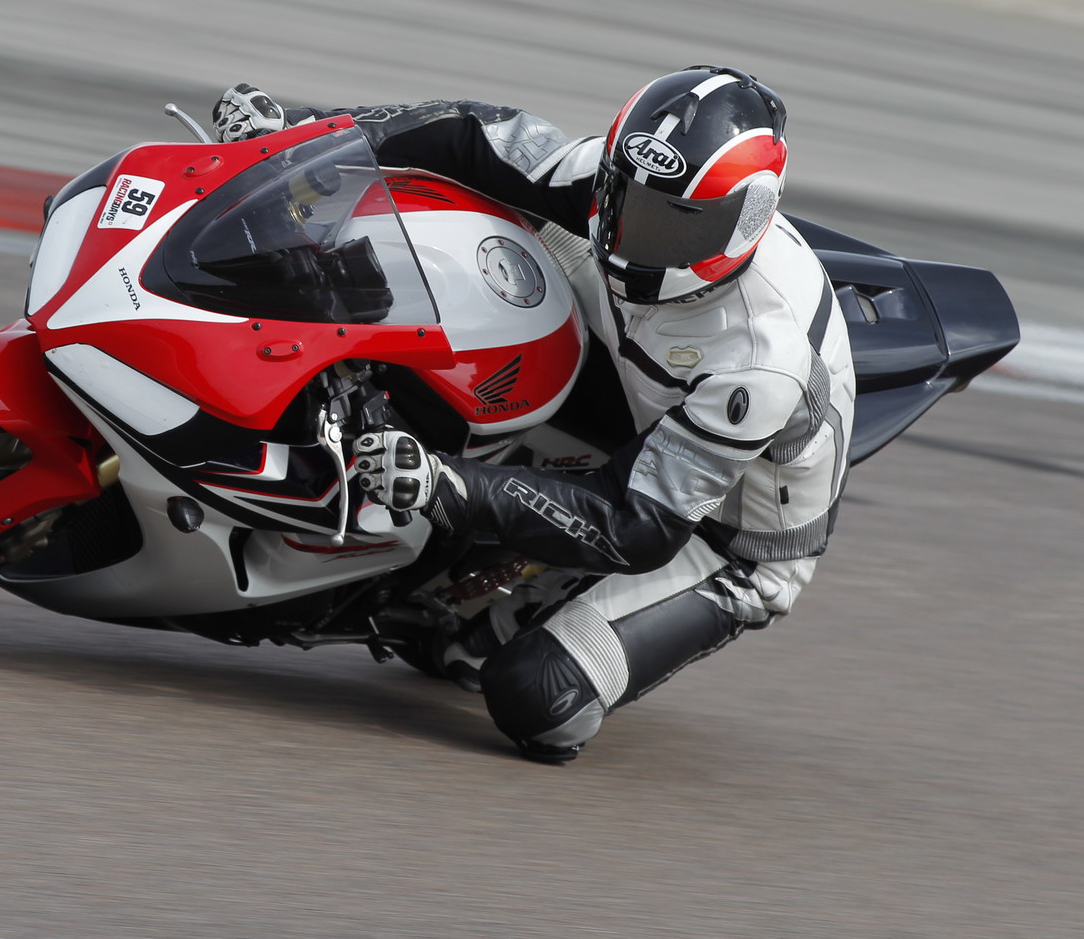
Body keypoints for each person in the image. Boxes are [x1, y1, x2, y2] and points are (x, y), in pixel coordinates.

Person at [212, 68, 856, 762]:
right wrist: (300, 134)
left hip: (715, 534)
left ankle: (547, 585)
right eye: (626, 198)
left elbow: (637, 525)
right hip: (642, 378)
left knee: (531, 693)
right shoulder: (618, 190)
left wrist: (442, 484)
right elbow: (471, 135)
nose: (635, 234)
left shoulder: (760, 359)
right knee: (466, 205)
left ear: (744, 220)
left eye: (672, 224)